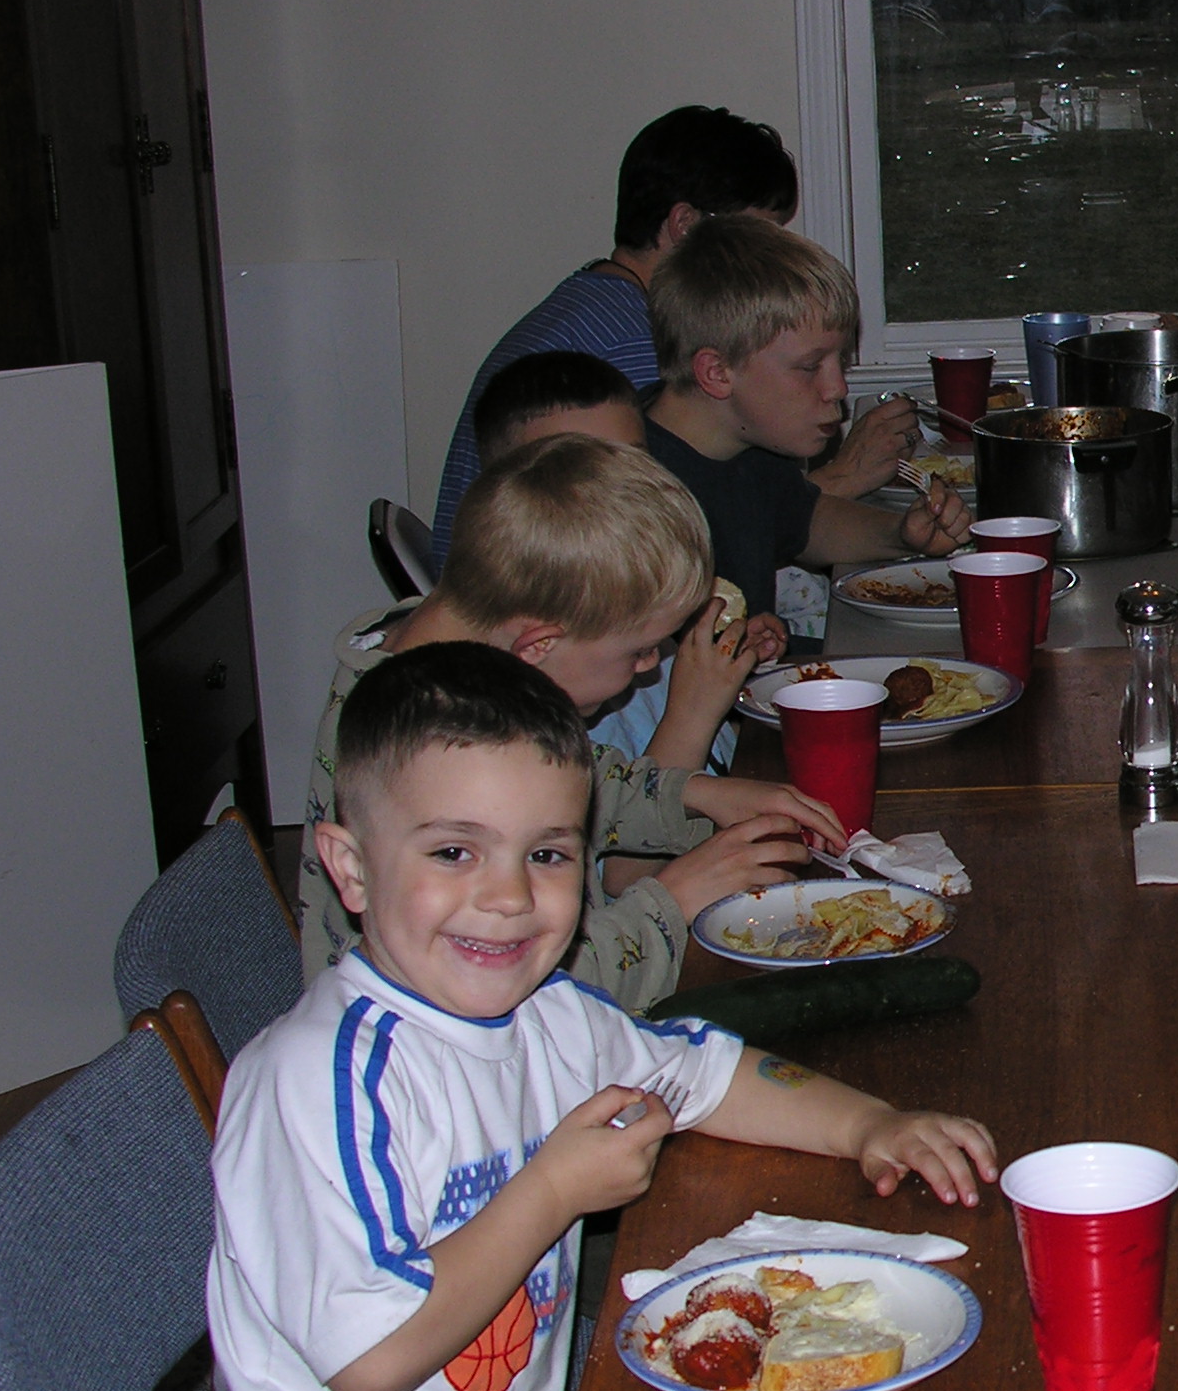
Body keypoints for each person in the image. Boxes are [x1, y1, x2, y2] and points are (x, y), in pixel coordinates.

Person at [180, 641, 998, 1391]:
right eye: (453, 851)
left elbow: (703, 1073)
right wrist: (551, 1190)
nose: (509, 895)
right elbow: (370, 1362)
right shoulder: (323, 1078)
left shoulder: (550, 1014)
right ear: (350, 867)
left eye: (549, 852)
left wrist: (872, 1122)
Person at [302, 433, 844, 1011]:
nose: (651, 665)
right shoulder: (418, 744)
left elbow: (557, 780)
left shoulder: (448, 659)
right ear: (539, 646)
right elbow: (524, 992)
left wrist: (695, 794)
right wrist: (671, 902)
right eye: (639, 651)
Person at [428, 107, 913, 562]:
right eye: (760, 236)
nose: (771, 255)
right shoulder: (634, 349)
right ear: (686, 226)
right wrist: (845, 476)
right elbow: (668, 525)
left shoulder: (600, 299)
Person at [642, 216, 971, 648]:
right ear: (717, 372)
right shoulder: (638, 493)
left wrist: (902, 534)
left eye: (840, 362)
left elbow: (805, 521)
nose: (838, 388)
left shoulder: (748, 441)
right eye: (810, 366)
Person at [464, 351, 783, 776]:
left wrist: (723, 661)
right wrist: (693, 712)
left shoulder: (630, 611)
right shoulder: (561, 681)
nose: (622, 494)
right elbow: (634, 813)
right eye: (579, 473)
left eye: (634, 464)